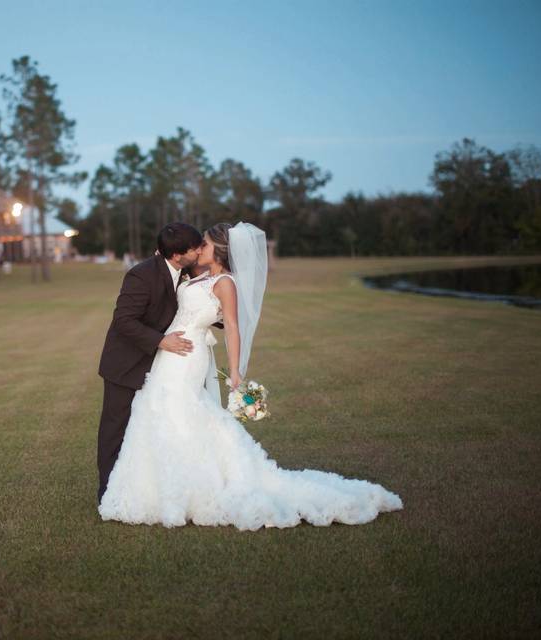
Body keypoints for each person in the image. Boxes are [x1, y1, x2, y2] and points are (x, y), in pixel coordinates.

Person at [98, 221, 403, 530]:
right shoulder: (194, 275)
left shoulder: (224, 282)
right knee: (156, 415)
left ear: (218, 250)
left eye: (203, 244)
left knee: (178, 412)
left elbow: (230, 324)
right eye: (196, 245)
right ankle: (142, 486)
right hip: (162, 355)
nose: (199, 249)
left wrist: (235, 371)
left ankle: (186, 489)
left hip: (185, 356)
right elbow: (165, 307)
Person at [97, 222, 204, 505]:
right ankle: (108, 494)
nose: (200, 251)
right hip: (126, 364)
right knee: (115, 430)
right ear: (178, 255)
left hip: (163, 368)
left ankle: (145, 487)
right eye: (196, 248)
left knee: (149, 428)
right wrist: (161, 341)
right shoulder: (141, 275)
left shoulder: (187, 271)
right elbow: (123, 321)